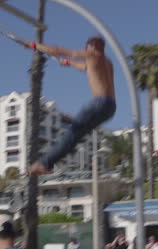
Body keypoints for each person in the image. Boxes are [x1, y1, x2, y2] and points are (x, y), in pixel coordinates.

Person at [25, 36, 116, 176]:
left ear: (90, 46)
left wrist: (33, 45)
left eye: (86, 48)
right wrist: (69, 63)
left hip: (99, 103)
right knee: (75, 135)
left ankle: (44, 163)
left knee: (72, 133)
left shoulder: (91, 54)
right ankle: (47, 163)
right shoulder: (107, 63)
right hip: (110, 108)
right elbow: (84, 67)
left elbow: (59, 50)